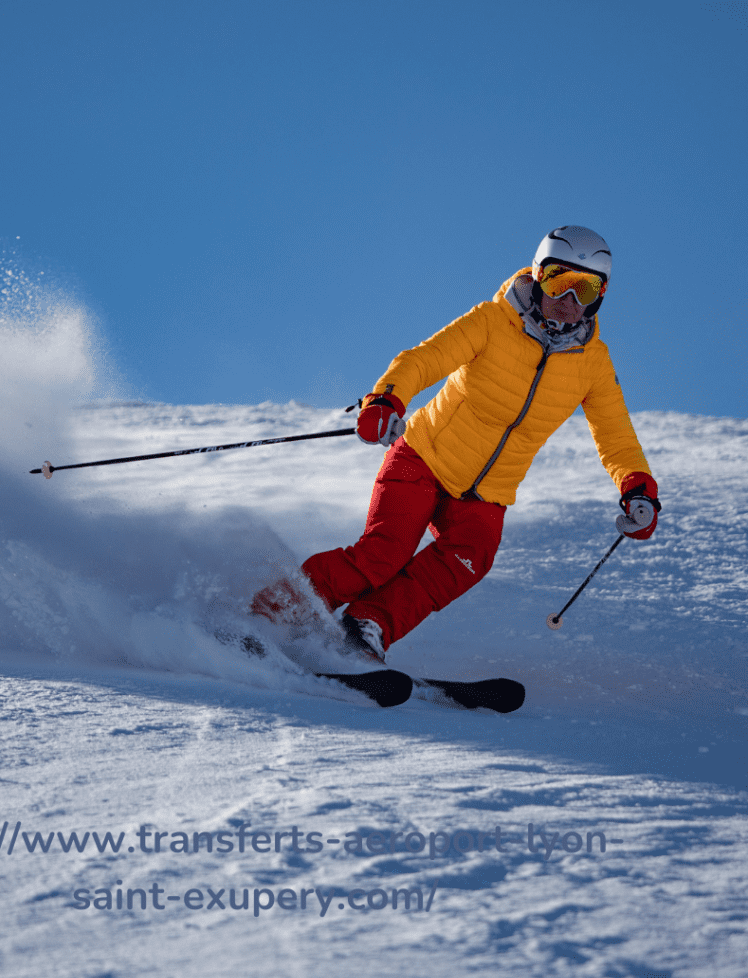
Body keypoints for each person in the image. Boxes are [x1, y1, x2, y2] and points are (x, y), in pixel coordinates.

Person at [252, 225, 661, 661]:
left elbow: (615, 432)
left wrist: (637, 488)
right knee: (382, 554)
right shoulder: (493, 321)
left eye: (586, 288)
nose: (569, 300)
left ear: (601, 295)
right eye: (560, 281)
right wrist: (386, 400)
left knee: (469, 559)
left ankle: (366, 626)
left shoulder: (593, 364)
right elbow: (424, 359)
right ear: (539, 276)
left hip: (487, 493)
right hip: (424, 458)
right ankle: (271, 614)